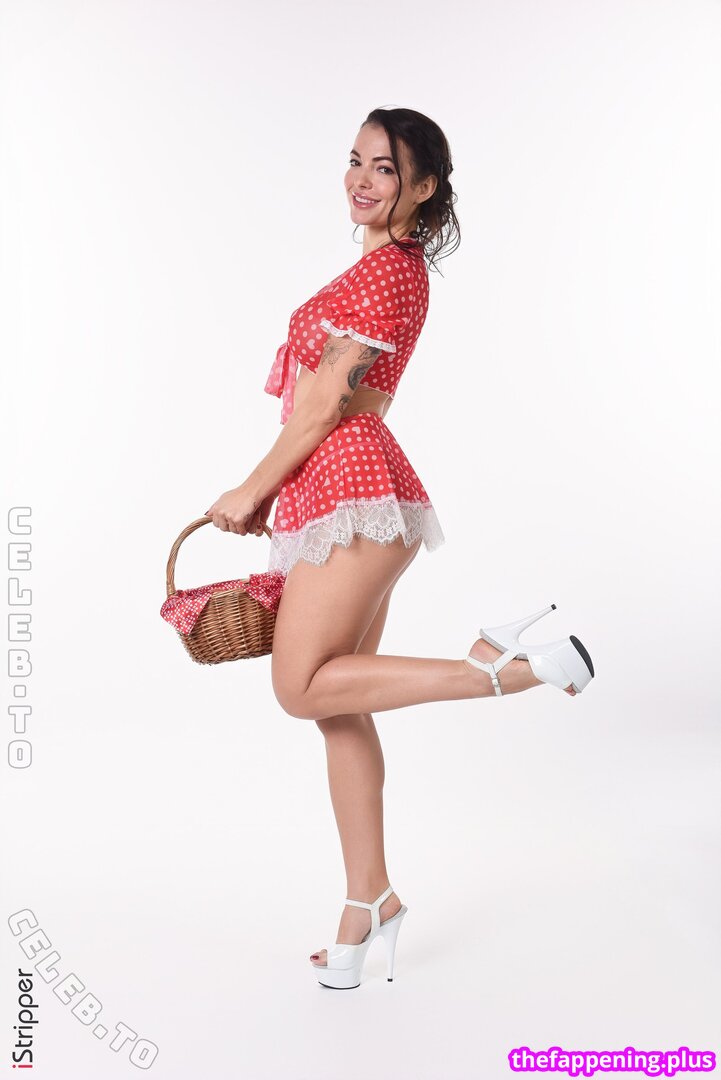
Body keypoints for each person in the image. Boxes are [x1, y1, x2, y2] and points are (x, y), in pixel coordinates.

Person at [204, 107, 595, 990]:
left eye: (384, 168)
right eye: (355, 160)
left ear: (422, 187)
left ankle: (501, 671)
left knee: (299, 686)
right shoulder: (382, 265)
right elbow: (322, 405)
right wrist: (278, 488)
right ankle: (368, 900)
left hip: (350, 486)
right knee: (338, 704)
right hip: (338, 487)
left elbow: (320, 405)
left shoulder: (388, 271)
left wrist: (251, 488)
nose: (361, 179)